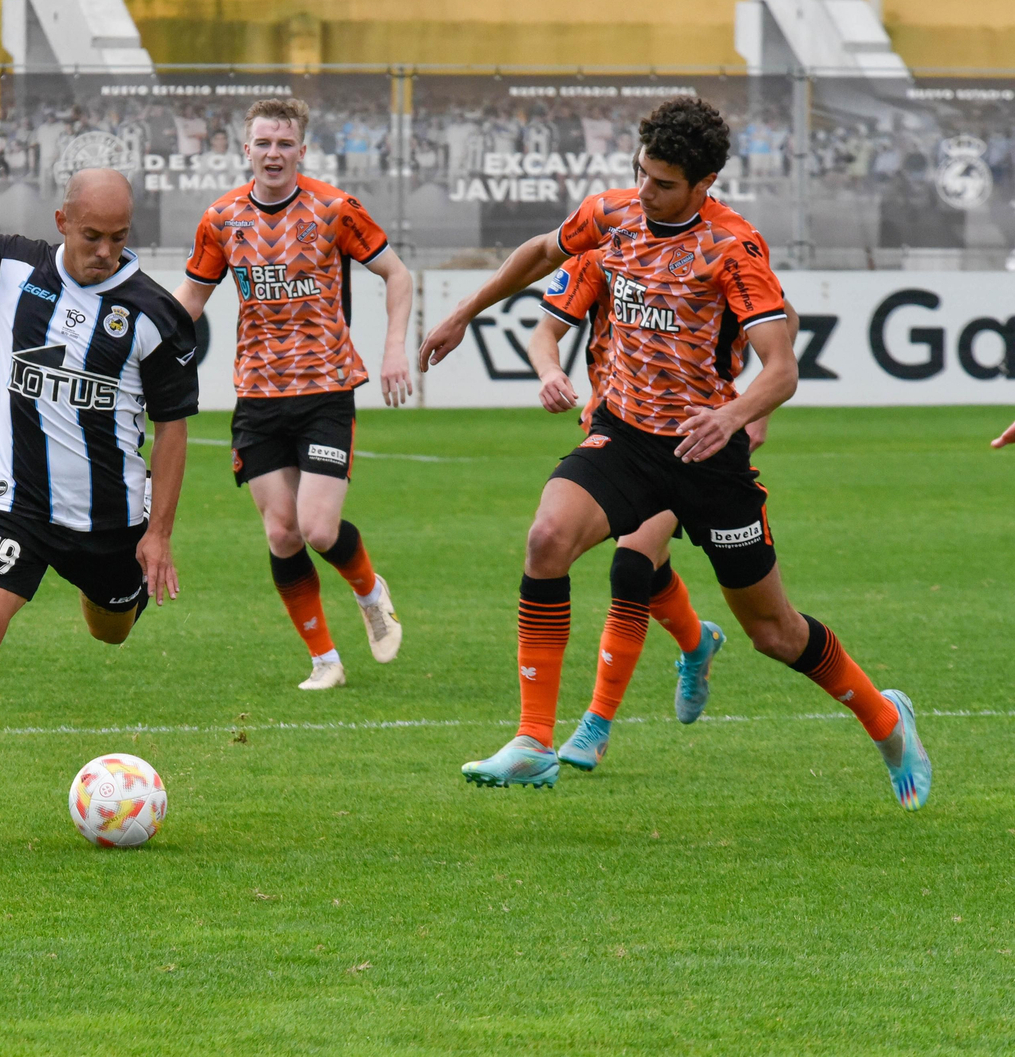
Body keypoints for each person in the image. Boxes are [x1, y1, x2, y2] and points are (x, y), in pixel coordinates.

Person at [419, 96, 930, 810]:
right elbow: (540, 253)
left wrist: (734, 415)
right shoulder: (613, 214)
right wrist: (460, 314)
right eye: (641, 173)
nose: (645, 191)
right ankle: (534, 741)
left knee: (774, 632)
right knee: (546, 539)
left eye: (662, 183)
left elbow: (782, 369)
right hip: (626, 437)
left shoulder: (735, 248)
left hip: (706, 452)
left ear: (704, 182)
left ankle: (886, 720)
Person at [0, 60, 198, 854]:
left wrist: (157, 534)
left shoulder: (154, 316)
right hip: (13, 505)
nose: (105, 251)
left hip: (109, 521)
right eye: (92, 236)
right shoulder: (12, 267)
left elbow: (173, 428)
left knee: (110, 631)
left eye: (119, 238)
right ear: (62, 221)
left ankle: (107, 591)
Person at [174, 96, 413, 691]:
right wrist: (139, 348)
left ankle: (370, 592)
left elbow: (398, 274)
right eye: (263, 142)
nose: (273, 153)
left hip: (325, 389)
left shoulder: (334, 209)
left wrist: (393, 349)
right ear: (246, 149)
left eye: (285, 143)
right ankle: (325, 660)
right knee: (281, 533)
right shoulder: (221, 218)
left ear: (302, 151)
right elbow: (190, 301)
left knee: (318, 530)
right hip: (257, 396)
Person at [528, 246, 794, 771]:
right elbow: (545, 328)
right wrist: (550, 371)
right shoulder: (604, 250)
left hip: (687, 442)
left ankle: (596, 723)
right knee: (642, 567)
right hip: (614, 432)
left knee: (632, 564)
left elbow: (783, 315)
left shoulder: (714, 248)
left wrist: (757, 411)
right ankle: (697, 642)